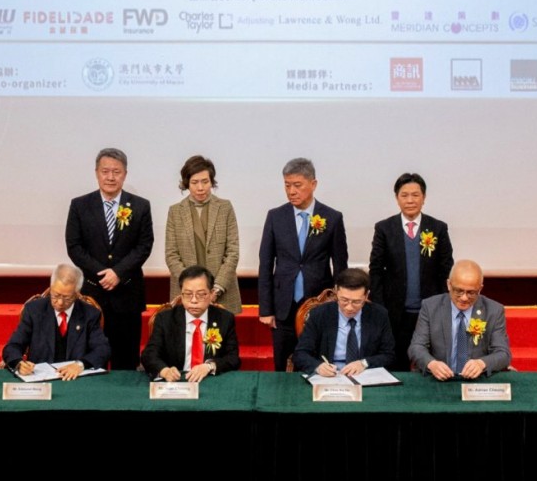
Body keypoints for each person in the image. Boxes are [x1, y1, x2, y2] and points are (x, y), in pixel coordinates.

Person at [66, 147, 153, 371]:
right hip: (93, 294)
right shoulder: (80, 205)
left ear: (125, 174)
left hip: (127, 293)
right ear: (97, 173)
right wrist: (102, 274)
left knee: (127, 361)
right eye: (105, 171)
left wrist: (118, 273)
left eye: (116, 172)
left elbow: (144, 246)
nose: (111, 177)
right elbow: (75, 247)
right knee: (91, 359)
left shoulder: (141, 206)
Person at [258, 157, 348, 371]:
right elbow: (265, 264)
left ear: (313, 184)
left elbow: (340, 266)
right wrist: (266, 309)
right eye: (287, 185)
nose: (291, 191)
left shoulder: (332, 218)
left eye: (297, 185)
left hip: (318, 304)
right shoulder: (275, 216)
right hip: (283, 305)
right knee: (282, 365)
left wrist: (338, 304)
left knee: (316, 364)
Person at [369, 172, 454, 371]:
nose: (410, 200)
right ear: (396, 198)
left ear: (424, 198)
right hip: (395, 312)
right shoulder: (384, 228)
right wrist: (380, 307)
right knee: (397, 364)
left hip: (429, 311)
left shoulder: (438, 228)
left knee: (430, 365)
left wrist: (443, 304)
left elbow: (446, 269)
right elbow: (376, 270)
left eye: (415, 195)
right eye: (404, 195)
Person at [1, 263, 111, 380]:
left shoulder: (90, 314)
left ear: (76, 293)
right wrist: (18, 363)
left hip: (76, 380)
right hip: (41, 379)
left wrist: (80, 365)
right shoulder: (34, 310)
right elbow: (12, 346)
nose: (60, 303)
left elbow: (102, 349)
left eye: (67, 298)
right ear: (51, 287)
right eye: (56, 295)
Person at [408, 259, 512, 381]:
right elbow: (416, 347)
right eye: (459, 291)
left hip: (477, 381)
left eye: (471, 293)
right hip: (439, 380)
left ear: (480, 289)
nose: (464, 298)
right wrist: (431, 364)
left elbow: (503, 354)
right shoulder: (430, 307)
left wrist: (482, 363)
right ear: (449, 284)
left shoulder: (494, 311)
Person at [164, 155, 242, 313]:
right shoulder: (175, 211)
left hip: (223, 294)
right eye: (195, 182)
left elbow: (232, 252)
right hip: (186, 295)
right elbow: (171, 254)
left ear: (212, 182)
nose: (200, 188)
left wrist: (215, 290)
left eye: (205, 182)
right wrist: (192, 288)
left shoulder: (225, 207)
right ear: (187, 183)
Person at [141, 265, 240, 382]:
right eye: (188, 294)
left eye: (201, 294)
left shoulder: (224, 319)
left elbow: (233, 358)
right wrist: (165, 371)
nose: (193, 300)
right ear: (181, 294)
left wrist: (209, 367)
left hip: (210, 380)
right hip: (177, 381)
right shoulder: (165, 319)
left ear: (211, 294)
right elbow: (149, 355)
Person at [292, 268, 394, 376]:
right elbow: (300, 354)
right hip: (330, 377)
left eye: (356, 302)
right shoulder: (319, 315)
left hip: (363, 376)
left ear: (366, 295)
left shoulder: (379, 315)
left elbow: (389, 355)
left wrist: (364, 363)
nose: (349, 307)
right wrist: (318, 366)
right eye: (344, 300)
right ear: (336, 291)